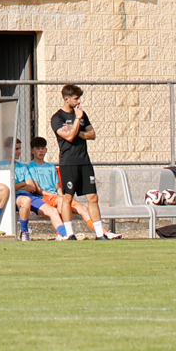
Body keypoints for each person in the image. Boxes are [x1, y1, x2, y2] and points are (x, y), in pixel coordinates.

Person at [52, 84, 119, 239]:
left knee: (93, 197)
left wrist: (77, 132)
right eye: (76, 99)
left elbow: (92, 134)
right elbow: (67, 137)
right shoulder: (58, 118)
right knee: (67, 197)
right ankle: (69, 234)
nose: (79, 102)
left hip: (84, 161)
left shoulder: (83, 115)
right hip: (68, 162)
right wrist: (76, 120)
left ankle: (99, 233)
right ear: (66, 99)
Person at [11, 136, 72, 240]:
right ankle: (24, 232)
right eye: (17, 149)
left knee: (53, 211)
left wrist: (17, 185)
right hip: (16, 197)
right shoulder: (2, 166)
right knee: (26, 201)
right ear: (8, 149)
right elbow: (9, 187)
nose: (19, 151)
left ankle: (66, 234)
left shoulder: (22, 166)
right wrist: (22, 184)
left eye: (20, 148)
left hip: (29, 196)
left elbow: (31, 186)